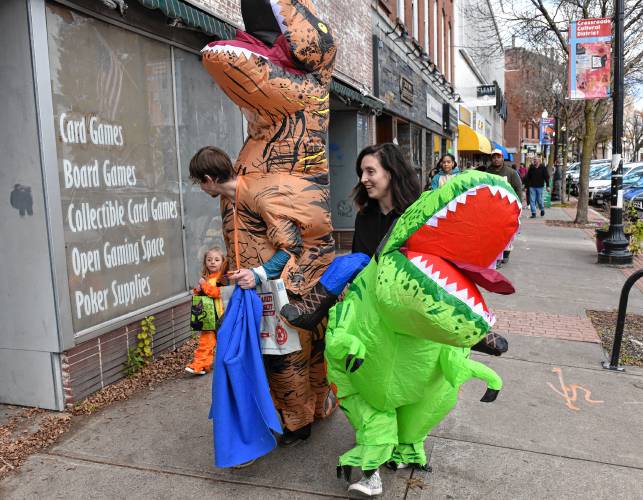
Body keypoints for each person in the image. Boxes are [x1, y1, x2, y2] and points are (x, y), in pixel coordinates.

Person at [190, 146, 336, 447]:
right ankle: (285, 414)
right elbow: (237, 246)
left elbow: (291, 246)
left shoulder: (258, 197)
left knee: (287, 358)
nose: (200, 188)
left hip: (279, 293)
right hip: (251, 294)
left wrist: (258, 273)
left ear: (208, 179)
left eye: (198, 182)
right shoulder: (227, 202)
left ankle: (300, 423)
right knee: (266, 358)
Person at [352, 143, 422, 258]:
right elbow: (358, 263)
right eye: (362, 172)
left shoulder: (416, 215)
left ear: (391, 173)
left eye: (370, 171)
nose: (363, 179)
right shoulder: (363, 217)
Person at [186, 247, 227, 375]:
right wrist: (198, 290)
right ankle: (200, 365)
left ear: (223, 262)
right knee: (205, 342)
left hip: (222, 316)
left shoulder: (223, 279)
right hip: (208, 316)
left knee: (226, 341)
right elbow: (203, 296)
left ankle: (228, 364)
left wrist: (204, 285)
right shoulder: (207, 278)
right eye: (209, 260)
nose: (212, 262)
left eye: (216, 259)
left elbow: (216, 293)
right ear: (205, 262)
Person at [486, 149, 523, 266]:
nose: (496, 159)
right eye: (494, 157)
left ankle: (505, 253)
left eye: (498, 157)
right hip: (491, 208)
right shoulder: (487, 172)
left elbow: (518, 188)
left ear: (502, 158)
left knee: (506, 233)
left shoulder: (511, 173)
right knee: (493, 234)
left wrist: (518, 204)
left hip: (507, 207)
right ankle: (495, 256)